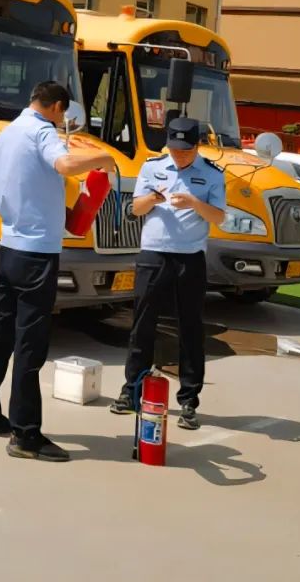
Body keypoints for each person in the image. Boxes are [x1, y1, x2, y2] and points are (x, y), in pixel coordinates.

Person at [0, 81, 115, 462]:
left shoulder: (6, 134)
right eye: (63, 114)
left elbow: (10, 185)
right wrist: (102, 159)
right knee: (30, 343)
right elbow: (64, 164)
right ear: (55, 108)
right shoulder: (41, 131)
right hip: (37, 253)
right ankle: (25, 434)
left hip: (10, 245)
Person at [110, 116, 226, 429]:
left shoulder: (211, 175)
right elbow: (135, 209)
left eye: (186, 151)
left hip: (189, 258)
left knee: (190, 328)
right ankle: (131, 390)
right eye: (175, 149)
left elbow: (219, 216)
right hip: (153, 255)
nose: (180, 155)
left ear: (197, 146)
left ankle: (189, 399)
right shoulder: (152, 167)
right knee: (142, 323)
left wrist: (194, 203)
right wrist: (151, 198)